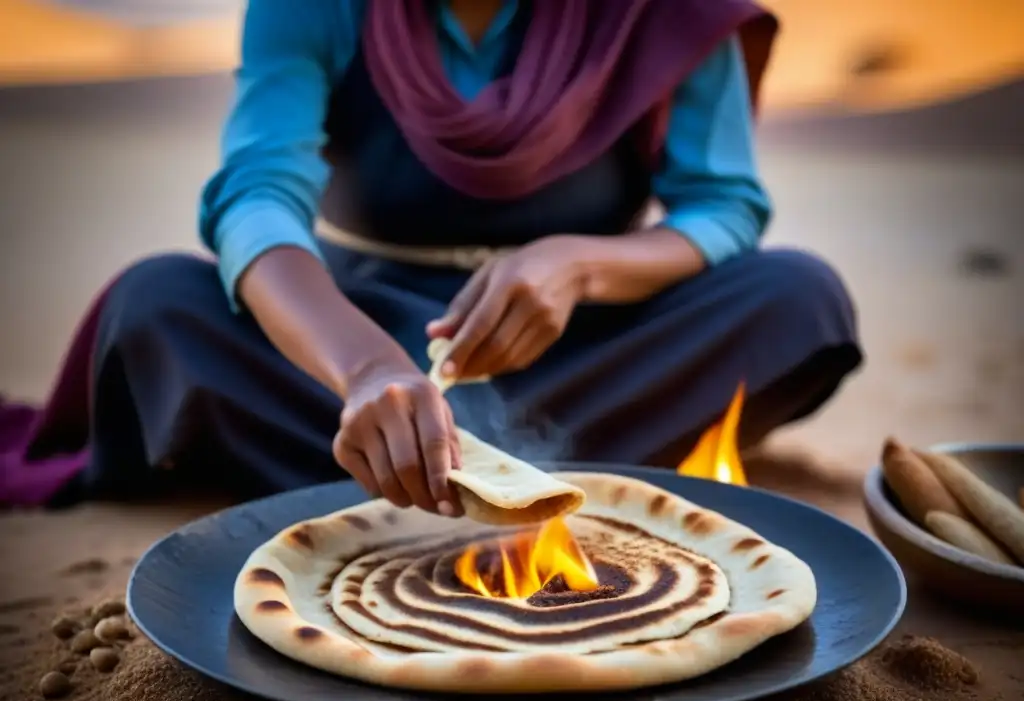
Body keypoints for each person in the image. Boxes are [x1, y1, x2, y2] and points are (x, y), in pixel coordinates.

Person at [0, 0, 861, 512]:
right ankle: (448, 450)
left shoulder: (666, 9)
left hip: (586, 336)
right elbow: (256, 197)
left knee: (797, 295)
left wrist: (578, 266)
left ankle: (409, 469)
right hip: (355, 330)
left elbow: (724, 205)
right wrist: (366, 368)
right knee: (156, 304)